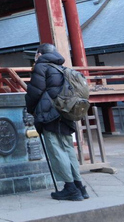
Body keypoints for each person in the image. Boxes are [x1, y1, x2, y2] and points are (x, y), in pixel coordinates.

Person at [25, 43, 89, 201]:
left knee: (57, 149)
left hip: (50, 114)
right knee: (67, 148)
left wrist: (32, 110)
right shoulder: (64, 69)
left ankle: (70, 188)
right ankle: (79, 186)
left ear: (39, 54)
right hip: (67, 113)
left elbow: (35, 92)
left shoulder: (42, 67)